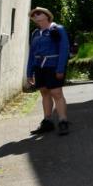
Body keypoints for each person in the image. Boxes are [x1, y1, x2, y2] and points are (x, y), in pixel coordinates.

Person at [26, 7, 71, 136]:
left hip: (53, 66)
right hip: (39, 68)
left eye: (38, 13)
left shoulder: (57, 30)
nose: (36, 16)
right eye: (33, 15)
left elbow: (64, 50)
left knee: (56, 93)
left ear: (47, 15)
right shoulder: (35, 33)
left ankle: (63, 121)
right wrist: (29, 72)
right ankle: (47, 121)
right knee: (44, 93)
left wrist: (60, 69)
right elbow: (32, 54)